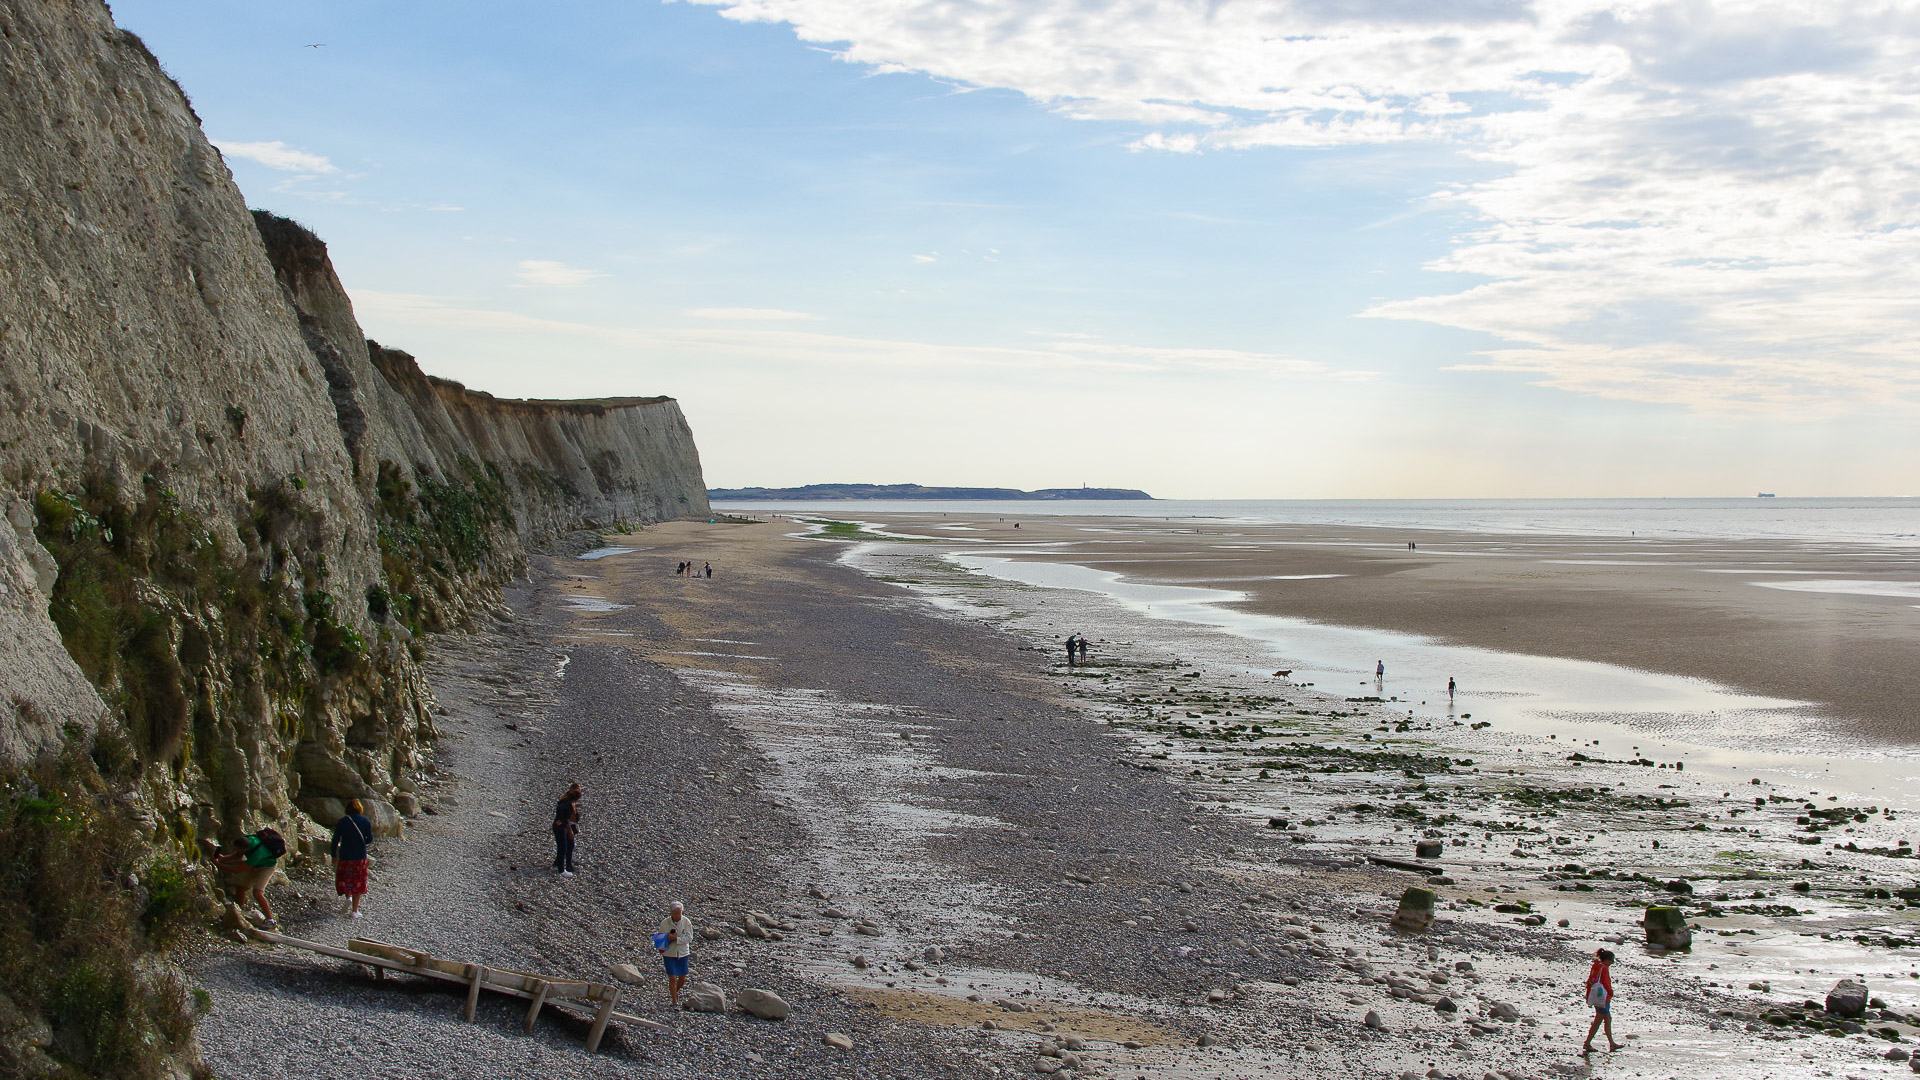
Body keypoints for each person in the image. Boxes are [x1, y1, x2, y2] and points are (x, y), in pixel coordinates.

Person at [212, 825, 285, 927]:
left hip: (267, 866)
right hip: (256, 864)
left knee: (257, 892)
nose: (238, 851)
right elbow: (237, 855)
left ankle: (270, 920)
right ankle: (237, 912)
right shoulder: (247, 839)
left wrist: (218, 864)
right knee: (241, 888)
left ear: (246, 849)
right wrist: (222, 858)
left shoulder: (257, 853)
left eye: (240, 850)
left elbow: (238, 870)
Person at [331, 798, 374, 917]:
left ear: (347, 809)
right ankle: (355, 911)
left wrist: (334, 855)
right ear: (360, 808)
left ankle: (348, 897)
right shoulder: (365, 821)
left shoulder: (343, 821)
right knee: (358, 882)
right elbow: (370, 839)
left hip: (345, 856)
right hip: (359, 856)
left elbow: (335, 840)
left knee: (346, 878)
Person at [1582, 948, 1624, 1053]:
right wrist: (1611, 992)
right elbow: (1606, 983)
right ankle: (1589, 1043)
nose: (1612, 963)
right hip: (1603, 998)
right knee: (1601, 1020)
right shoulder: (1604, 968)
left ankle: (1610, 1043)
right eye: (1611, 961)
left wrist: (1588, 996)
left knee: (1604, 1019)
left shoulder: (1595, 966)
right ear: (1607, 960)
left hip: (1596, 996)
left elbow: (1589, 981)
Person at [656, 901, 694, 1007]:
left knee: (683, 977)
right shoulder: (665, 923)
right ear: (671, 913)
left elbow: (689, 938)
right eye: (676, 913)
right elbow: (660, 937)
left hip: (683, 953)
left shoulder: (686, 922)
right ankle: (674, 1001)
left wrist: (677, 939)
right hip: (669, 953)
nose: (678, 915)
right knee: (672, 977)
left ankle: (675, 992)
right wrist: (668, 937)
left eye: (680, 913)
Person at [553, 783, 582, 876]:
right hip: (563, 827)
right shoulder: (567, 803)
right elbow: (564, 818)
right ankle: (563, 869)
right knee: (565, 847)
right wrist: (569, 829)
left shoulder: (566, 802)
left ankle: (559, 863)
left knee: (565, 847)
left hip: (563, 826)